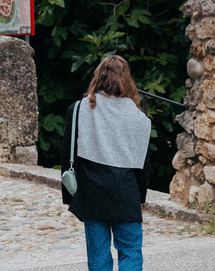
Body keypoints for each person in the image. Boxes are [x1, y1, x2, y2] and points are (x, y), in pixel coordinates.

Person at [61, 55, 152, 271]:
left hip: (91, 192)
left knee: (98, 255)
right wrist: (140, 197)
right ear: (126, 79)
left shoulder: (78, 109)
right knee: (130, 251)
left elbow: (68, 156)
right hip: (126, 192)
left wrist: (69, 196)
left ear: (98, 77)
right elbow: (143, 163)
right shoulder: (138, 117)